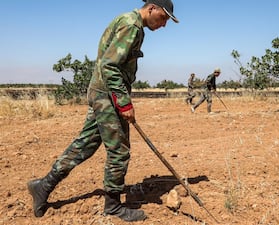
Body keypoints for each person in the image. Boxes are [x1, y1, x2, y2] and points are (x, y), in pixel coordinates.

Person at [27, 0, 178, 222]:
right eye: (164, 18)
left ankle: (43, 186)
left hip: (103, 93)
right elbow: (110, 65)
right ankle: (113, 206)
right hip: (108, 96)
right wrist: (123, 102)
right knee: (119, 150)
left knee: (85, 144)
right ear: (152, 8)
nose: (164, 24)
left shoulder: (130, 22)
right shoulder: (132, 26)